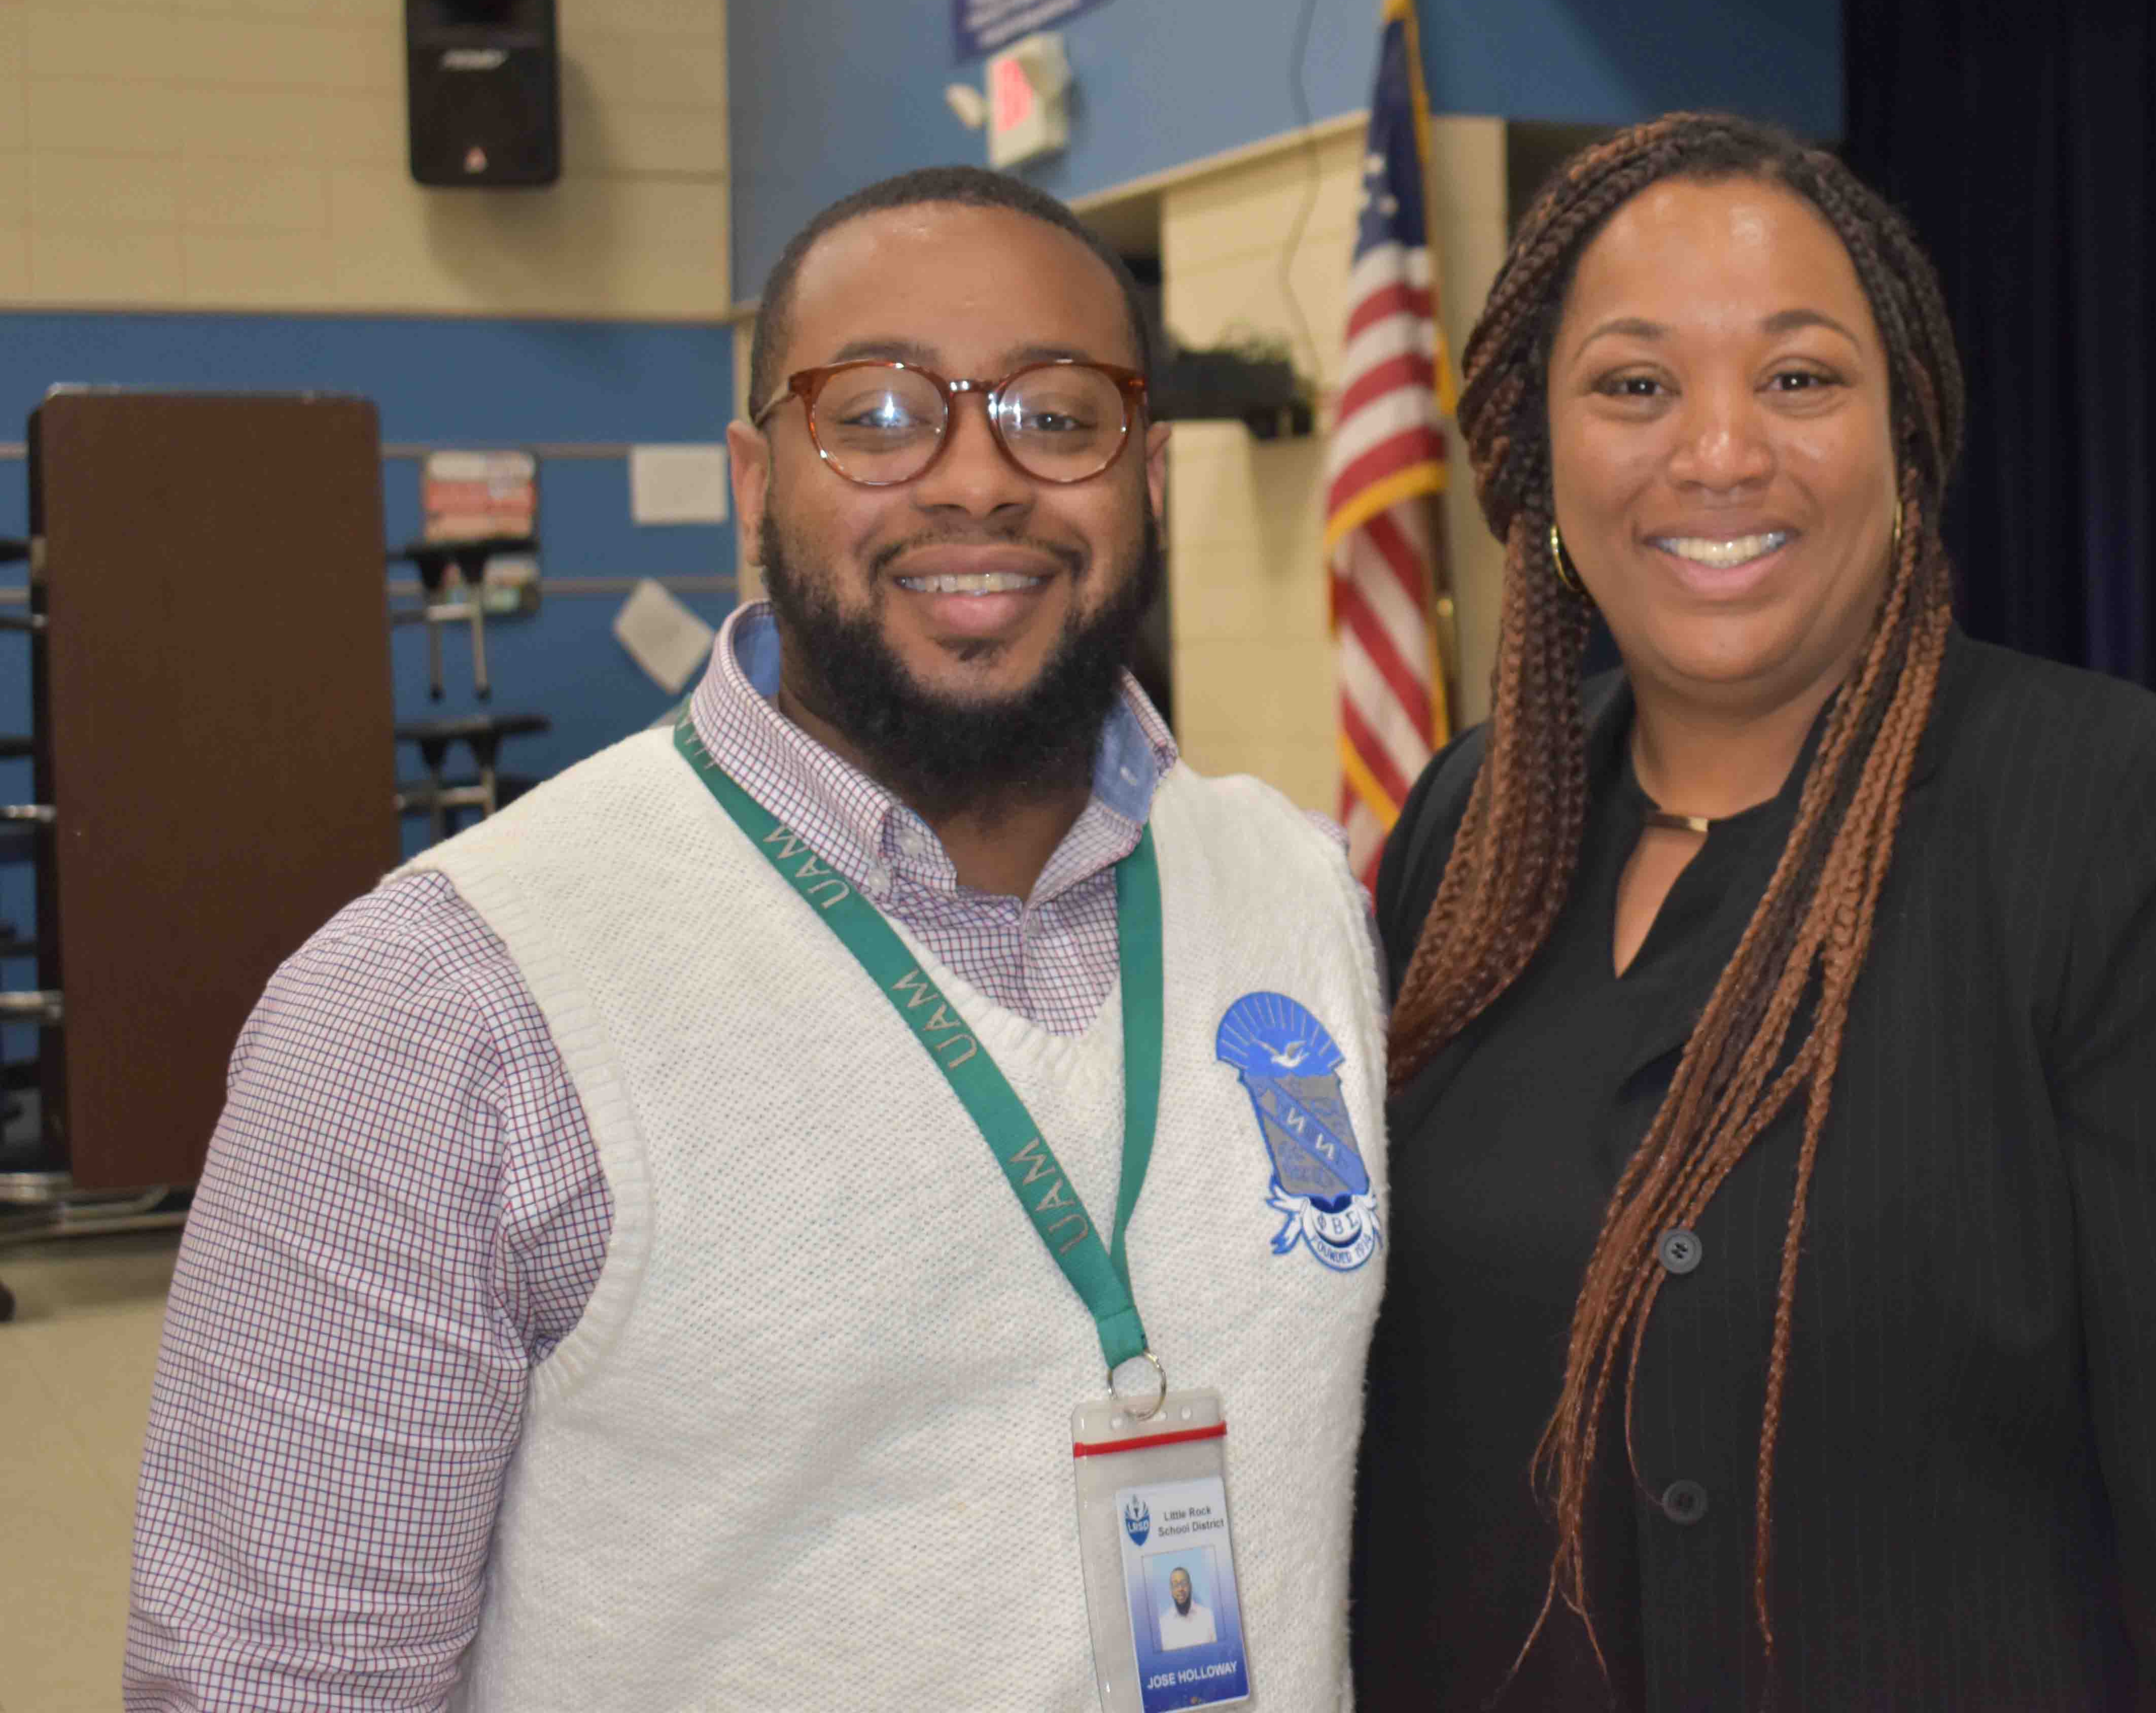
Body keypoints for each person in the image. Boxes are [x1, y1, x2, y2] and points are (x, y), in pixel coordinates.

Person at [125, 167, 1387, 1709]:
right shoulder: (441, 1009)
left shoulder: (1310, 898)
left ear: (1151, 474)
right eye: (873, 415)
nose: (975, 479)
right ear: (750, 479)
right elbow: (280, 1681)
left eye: (1055, 414)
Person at [1355, 114, 2156, 1709]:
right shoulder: (1468, 828)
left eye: (1798, 378)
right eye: (1635, 385)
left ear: (1906, 443)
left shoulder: (2126, 819)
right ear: (1535, 457)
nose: (1718, 452)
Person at [1164, 1566, 1219, 1649]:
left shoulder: (1209, 1617)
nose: (1180, 1589)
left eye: (1184, 1583)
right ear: (1171, 1590)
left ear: (1190, 1586)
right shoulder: (1163, 1624)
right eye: (1175, 1585)